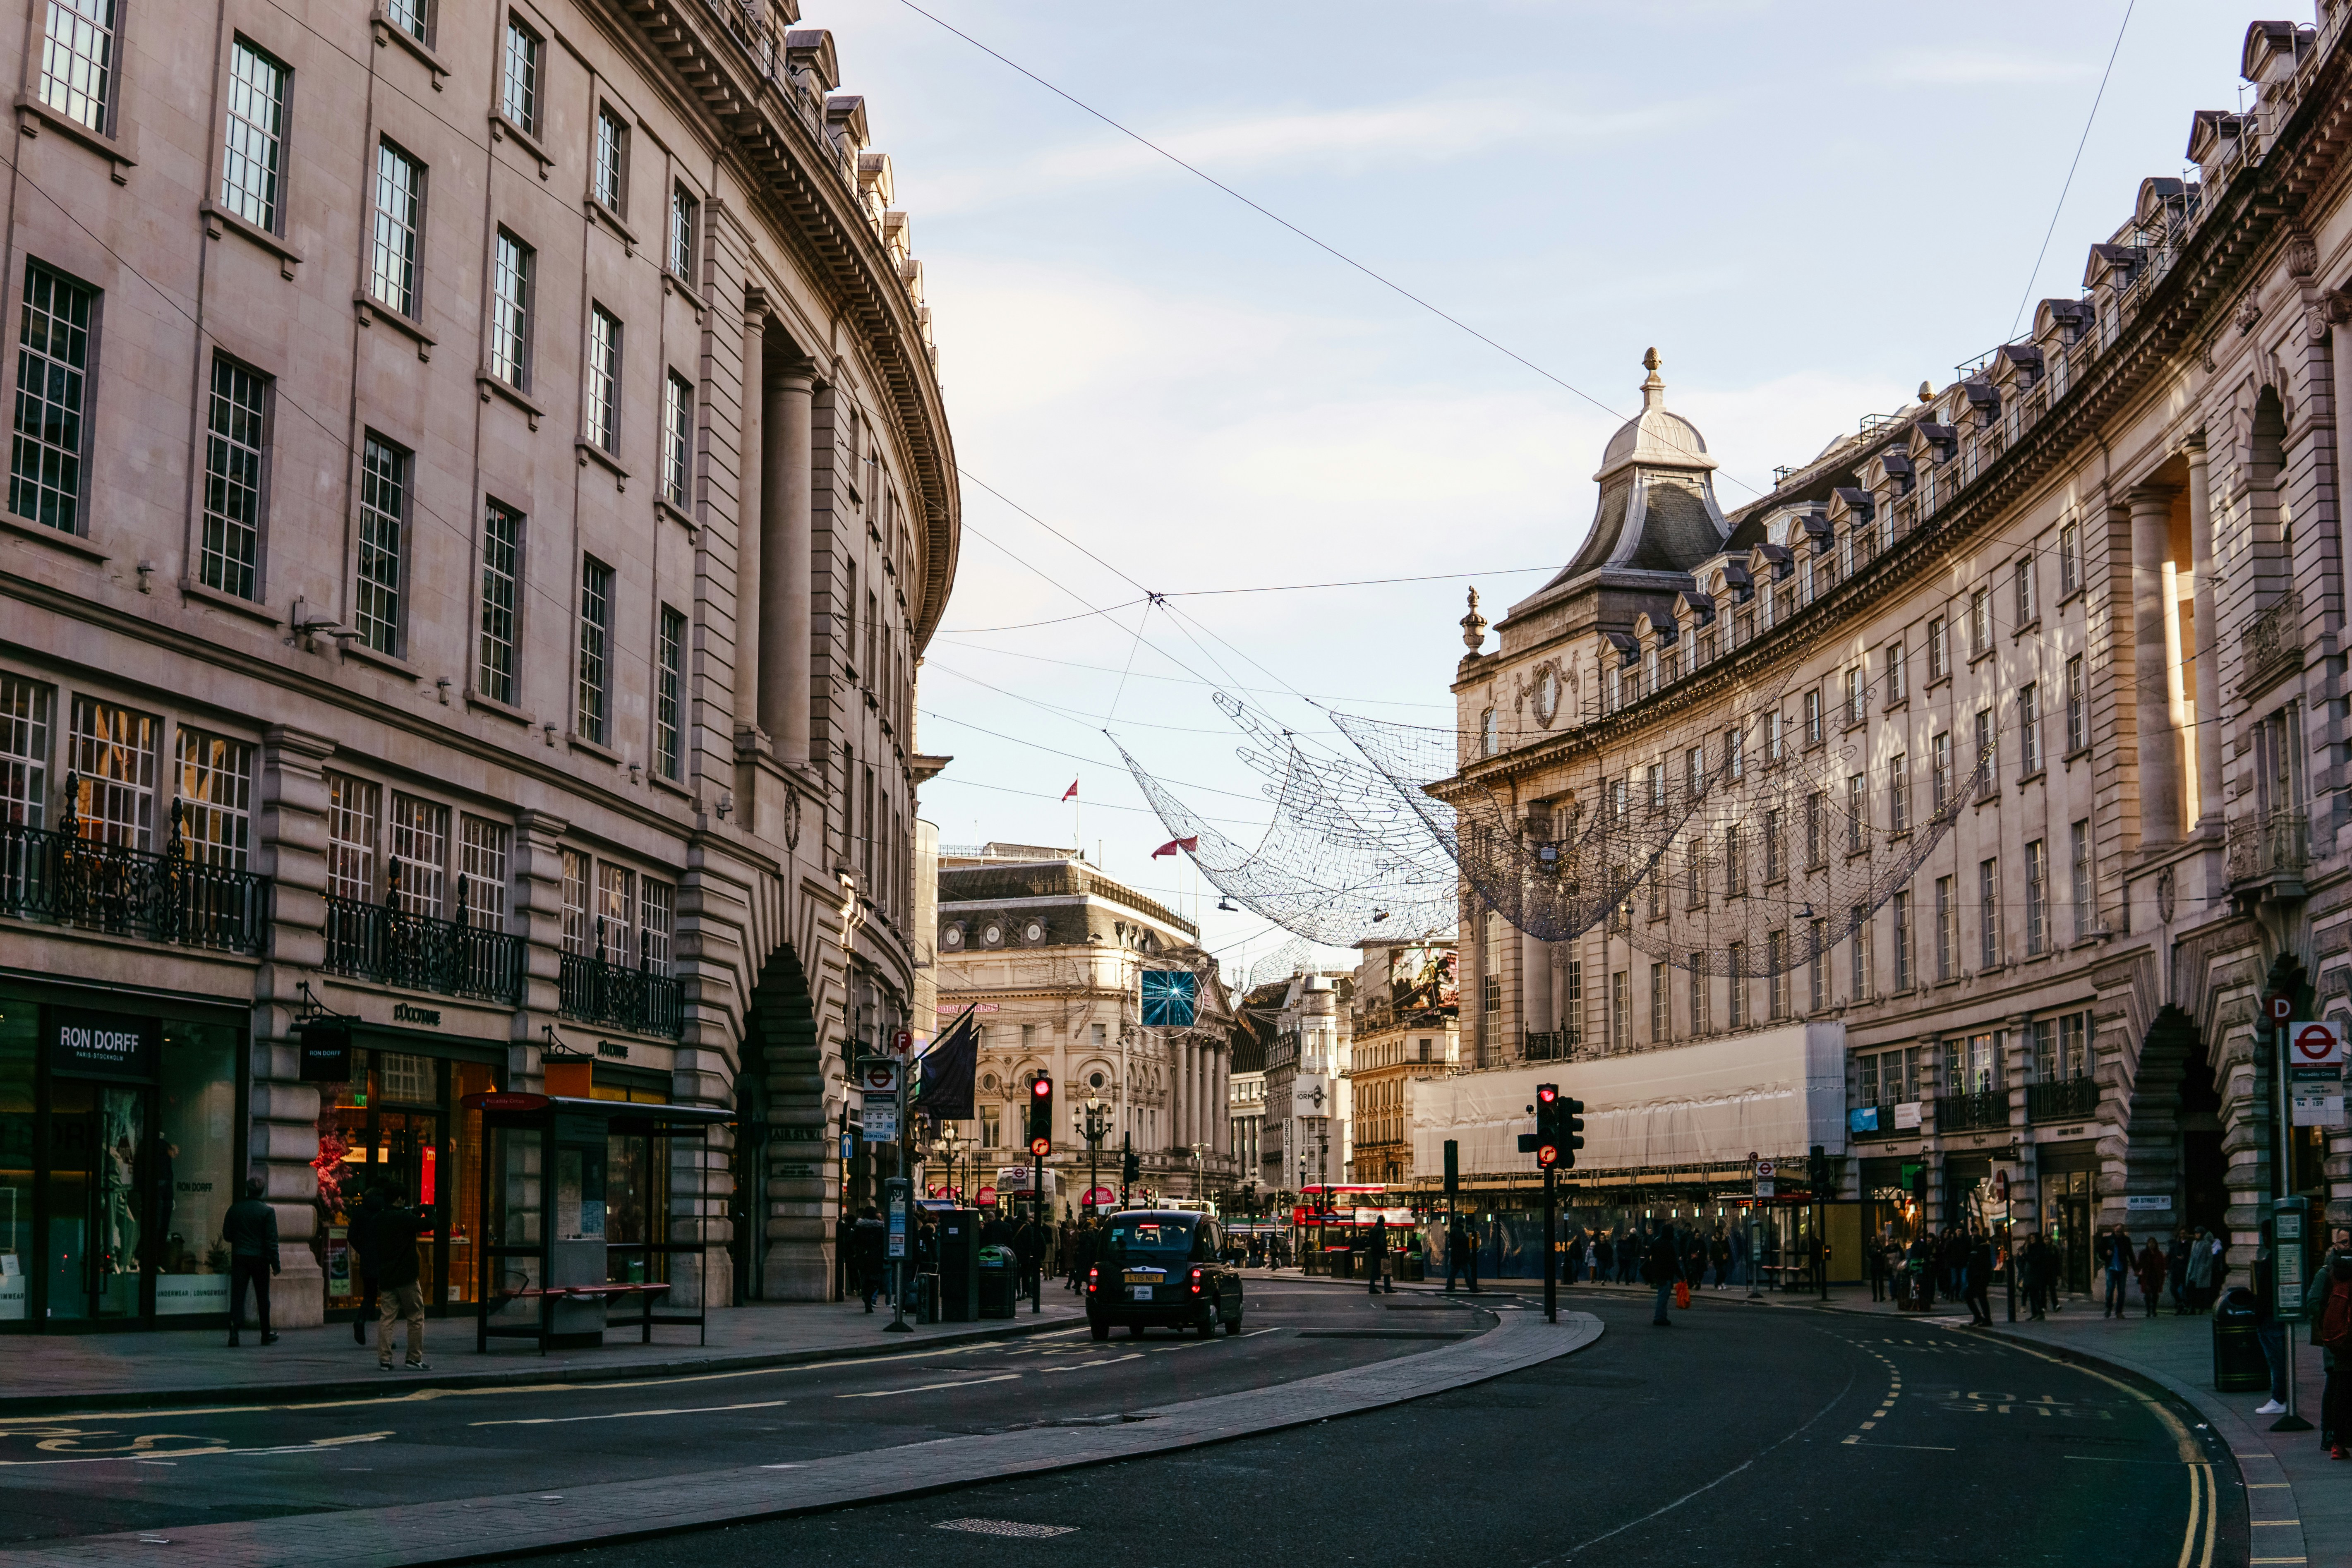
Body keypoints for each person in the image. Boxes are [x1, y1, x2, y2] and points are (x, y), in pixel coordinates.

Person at [372, 1188, 433, 1371]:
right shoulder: (404, 1218)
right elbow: (429, 1224)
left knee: (387, 1317)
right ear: (399, 1199)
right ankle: (414, 1358)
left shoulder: (379, 1219)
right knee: (415, 1316)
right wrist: (429, 1211)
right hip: (406, 1277)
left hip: (387, 1276)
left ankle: (385, 1360)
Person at [2304, 1227, 2352, 1457]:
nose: (2347, 1246)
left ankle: (2340, 1438)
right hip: (2337, 1343)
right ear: (2335, 1246)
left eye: (2350, 1242)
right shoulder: (2327, 1273)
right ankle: (2329, 1433)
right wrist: (2332, 1322)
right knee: (2335, 1388)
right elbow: (2312, 1302)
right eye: (2343, 1243)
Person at [222, 1176, 280, 1347]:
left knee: (238, 1296)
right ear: (262, 1191)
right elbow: (272, 1241)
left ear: (248, 1190)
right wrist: (276, 1265)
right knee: (263, 1298)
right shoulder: (267, 1212)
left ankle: (234, 1333)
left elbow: (227, 1235)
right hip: (260, 1259)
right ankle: (265, 1334)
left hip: (240, 1257)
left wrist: (241, 1241)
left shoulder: (235, 1209)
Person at [2253, 1222, 2288, 1416]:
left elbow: (2264, 1295)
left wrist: (2257, 1317)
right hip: (2281, 1315)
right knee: (2281, 1359)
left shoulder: (2270, 1261)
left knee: (2276, 1361)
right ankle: (2282, 1397)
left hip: (2269, 1319)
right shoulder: (2285, 1257)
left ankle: (2279, 1399)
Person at [348, 1182, 387, 1346]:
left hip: (368, 1259)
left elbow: (351, 1236)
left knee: (369, 1296)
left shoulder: (360, 1212)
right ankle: (386, 1335)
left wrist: (362, 1249)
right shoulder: (384, 1212)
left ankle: (361, 1319)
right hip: (385, 1259)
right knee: (388, 1299)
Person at [1643, 1221, 1681, 1326]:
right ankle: (1660, 1317)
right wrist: (1681, 1276)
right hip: (1666, 1274)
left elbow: (1651, 1256)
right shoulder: (1668, 1244)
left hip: (1658, 1273)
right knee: (1663, 1297)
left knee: (1662, 1296)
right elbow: (1673, 1262)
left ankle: (1662, 1317)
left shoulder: (1657, 1241)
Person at [2098, 1223, 2134, 1319]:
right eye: (2117, 1231)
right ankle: (2109, 1308)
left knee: (2122, 1291)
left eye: (2120, 1232)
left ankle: (2119, 1311)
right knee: (2110, 1289)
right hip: (2111, 1268)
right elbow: (2100, 1252)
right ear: (2114, 1230)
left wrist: (2136, 1269)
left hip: (2122, 1268)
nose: (2119, 1233)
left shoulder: (2126, 1240)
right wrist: (2106, 1253)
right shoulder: (2108, 1240)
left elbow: (2131, 1254)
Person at [854, 1206, 887, 1310]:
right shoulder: (879, 1227)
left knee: (865, 1278)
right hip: (876, 1256)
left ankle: (866, 1295)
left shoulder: (859, 1227)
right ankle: (869, 1296)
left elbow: (852, 1241)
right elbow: (884, 1242)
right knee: (876, 1280)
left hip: (863, 1256)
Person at [1964, 1230, 1994, 1326]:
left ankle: (1985, 1319)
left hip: (1979, 1279)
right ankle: (1980, 1317)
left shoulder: (1981, 1250)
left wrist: (1976, 1277)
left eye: (1973, 1240)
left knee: (1979, 1298)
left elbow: (1983, 1266)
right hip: (1977, 1279)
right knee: (1975, 1297)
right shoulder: (1978, 1249)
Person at [2186, 1225, 2219, 1313]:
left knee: (2201, 1291)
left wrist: (2206, 1268)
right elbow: (2192, 1256)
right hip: (2194, 1269)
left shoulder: (2207, 1244)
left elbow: (2210, 1257)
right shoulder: (2194, 1243)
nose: (2197, 1235)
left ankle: (2201, 1308)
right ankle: (2192, 1308)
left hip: (2201, 1269)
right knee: (2192, 1290)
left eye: (2198, 1233)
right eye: (2196, 1233)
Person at [2136, 1234, 2168, 1319]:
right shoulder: (2144, 1253)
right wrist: (2137, 1271)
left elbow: (2162, 1264)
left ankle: (2154, 1310)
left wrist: (2164, 1273)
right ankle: (2148, 1311)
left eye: (2153, 1243)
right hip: (2147, 1276)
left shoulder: (2159, 1254)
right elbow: (2140, 1264)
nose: (2152, 1244)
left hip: (2156, 1276)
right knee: (2147, 1293)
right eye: (2150, 1243)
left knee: (2155, 1294)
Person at [1445, 1214, 1478, 1293]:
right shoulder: (1458, 1231)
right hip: (1461, 1256)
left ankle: (1449, 1287)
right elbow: (1461, 1242)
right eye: (1463, 1223)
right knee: (1467, 1273)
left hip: (1456, 1256)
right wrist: (1468, 1240)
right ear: (1460, 1223)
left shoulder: (1454, 1230)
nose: (1464, 1224)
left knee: (1453, 1273)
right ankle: (1472, 1288)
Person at [1366, 1215, 1393, 1295]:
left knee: (1374, 1271)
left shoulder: (1373, 1229)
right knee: (1386, 1270)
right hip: (1380, 1253)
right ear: (1383, 1221)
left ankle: (1372, 1287)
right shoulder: (1382, 1230)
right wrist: (1385, 1253)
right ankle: (1387, 1288)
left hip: (1374, 1252)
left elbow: (1370, 1241)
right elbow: (1382, 1243)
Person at [1867, 1233, 1889, 1303]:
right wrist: (1877, 1253)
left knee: (1880, 1281)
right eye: (1872, 1239)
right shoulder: (1869, 1247)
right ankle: (1875, 1297)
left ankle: (1881, 1297)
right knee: (1874, 1282)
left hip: (1879, 1265)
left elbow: (1882, 1253)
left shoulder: (1879, 1246)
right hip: (1874, 1266)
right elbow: (1870, 1256)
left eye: (1874, 1239)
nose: (1873, 1240)